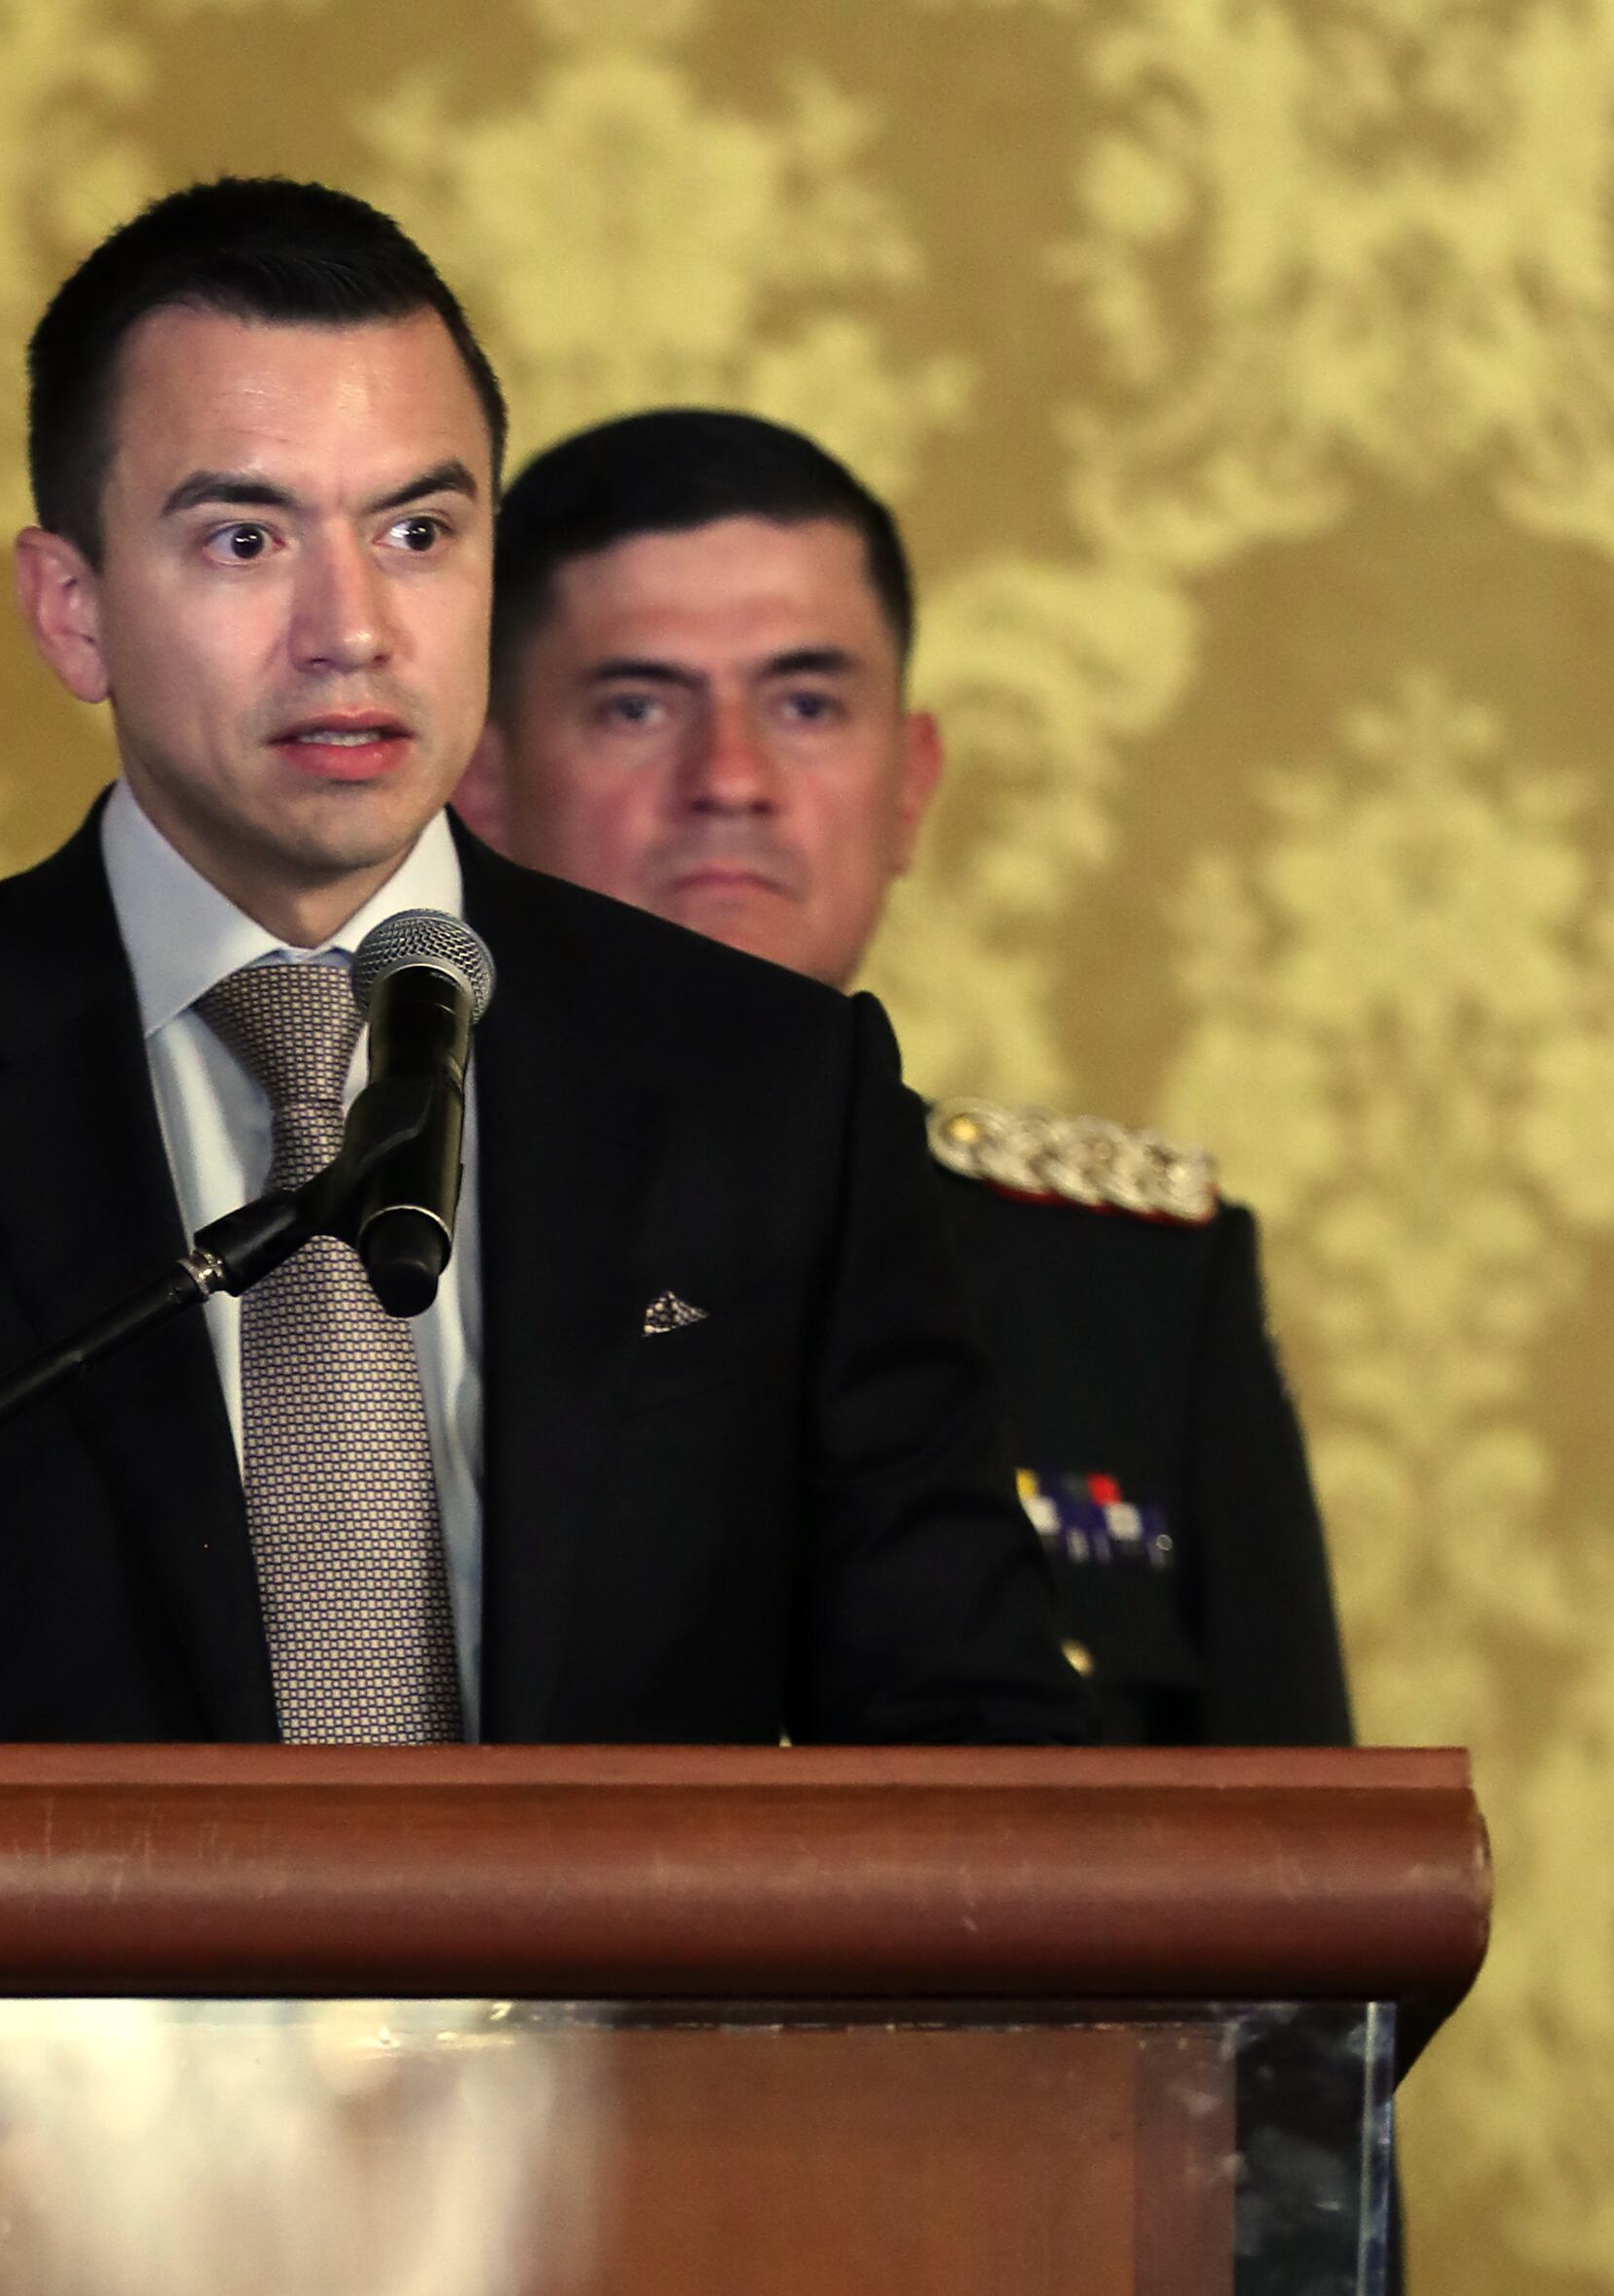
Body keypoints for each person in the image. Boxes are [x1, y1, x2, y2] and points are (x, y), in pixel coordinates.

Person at [0, 185, 1091, 1997]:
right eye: (244, 540)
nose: (351, 628)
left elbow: (976, 1761)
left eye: (416, 529)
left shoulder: (766, 1092)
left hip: (641, 2203)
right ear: (71, 610)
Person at [457, 409, 1352, 1750]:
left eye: (805, 704)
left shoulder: (1130, 1283)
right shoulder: (356, 1244)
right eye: (635, 704)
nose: (730, 780)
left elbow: (1283, 1906)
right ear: (481, 784)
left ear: (910, 786)